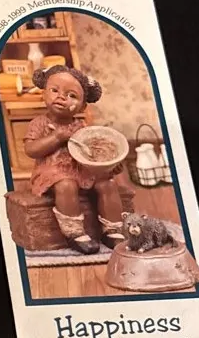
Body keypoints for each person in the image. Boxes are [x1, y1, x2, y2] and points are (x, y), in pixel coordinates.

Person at [24, 65, 125, 254]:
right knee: (66, 184)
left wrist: (108, 165)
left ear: (83, 106)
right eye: (55, 90)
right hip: (51, 171)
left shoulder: (82, 127)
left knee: (108, 183)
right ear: (43, 93)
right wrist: (56, 138)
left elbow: (90, 153)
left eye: (71, 95)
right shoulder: (39, 123)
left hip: (81, 170)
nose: (62, 98)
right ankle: (74, 232)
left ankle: (113, 229)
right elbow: (31, 150)